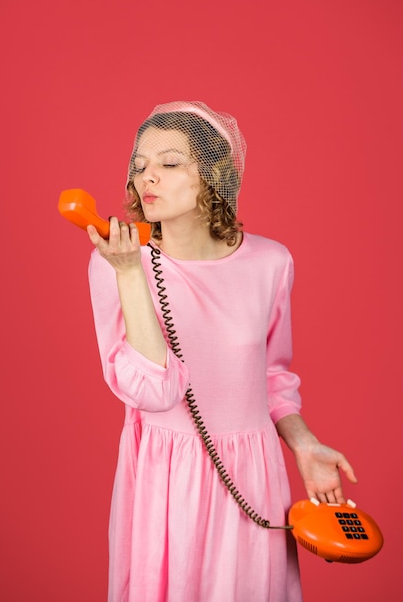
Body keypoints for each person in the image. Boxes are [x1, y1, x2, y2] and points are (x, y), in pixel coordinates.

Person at [87, 101, 357, 602]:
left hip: (252, 476)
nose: (149, 178)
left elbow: (273, 376)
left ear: (214, 175)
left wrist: (304, 445)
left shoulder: (271, 263)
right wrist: (129, 273)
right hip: (166, 482)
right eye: (139, 165)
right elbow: (153, 389)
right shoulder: (115, 264)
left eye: (169, 163)